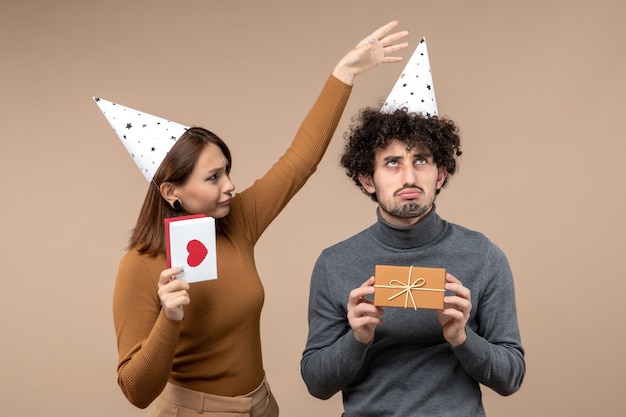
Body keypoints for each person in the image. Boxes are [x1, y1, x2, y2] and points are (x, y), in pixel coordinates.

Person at [110, 21, 410, 417]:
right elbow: (136, 391)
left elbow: (300, 161)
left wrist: (345, 72)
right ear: (172, 192)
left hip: (262, 406)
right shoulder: (140, 265)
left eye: (227, 171)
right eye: (213, 178)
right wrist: (169, 317)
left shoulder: (238, 222)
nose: (230, 186)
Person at [300, 107, 526, 417]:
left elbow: (511, 378)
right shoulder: (335, 263)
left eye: (421, 160)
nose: (409, 177)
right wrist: (357, 338)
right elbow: (316, 383)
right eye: (392, 162)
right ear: (367, 179)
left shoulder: (483, 255)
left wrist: (461, 338)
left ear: (440, 175)